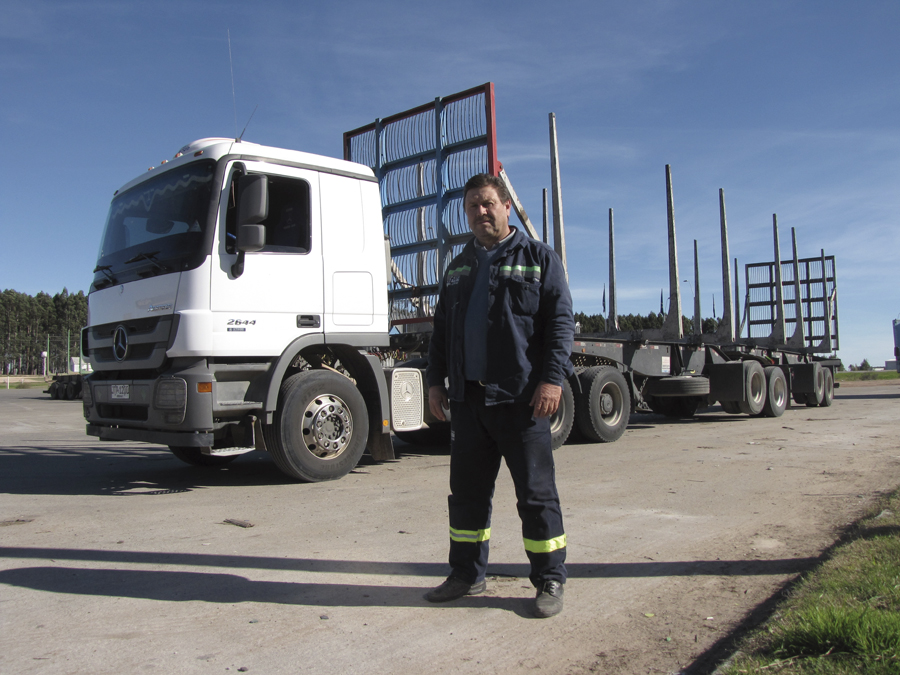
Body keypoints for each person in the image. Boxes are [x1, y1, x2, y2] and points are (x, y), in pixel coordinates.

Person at [424, 173, 575, 618]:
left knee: (535, 494)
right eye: (472, 205)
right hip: (469, 403)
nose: (480, 211)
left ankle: (550, 578)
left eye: (488, 203)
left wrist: (552, 380)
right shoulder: (457, 267)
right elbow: (441, 333)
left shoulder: (538, 258)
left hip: (521, 399)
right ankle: (466, 574)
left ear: (507, 206)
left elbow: (561, 325)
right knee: (466, 495)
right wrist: (436, 383)